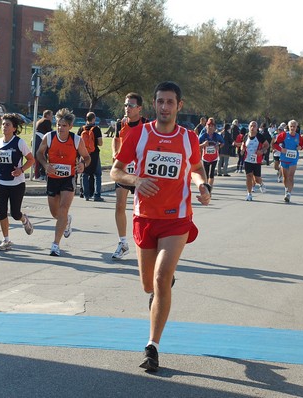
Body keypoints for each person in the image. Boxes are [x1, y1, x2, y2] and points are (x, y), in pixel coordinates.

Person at [110, 81, 211, 372]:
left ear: (179, 105)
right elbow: (117, 170)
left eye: (170, 102)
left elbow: (195, 168)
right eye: (160, 101)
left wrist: (202, 184)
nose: (164, 107)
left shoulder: (189, 138)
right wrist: (136, 180)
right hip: (145, 217)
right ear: (154, 104)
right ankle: (159, 288)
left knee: (162, 276)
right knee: (147, 285)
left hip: (177, 218)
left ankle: (152, 346)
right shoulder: (139, 134)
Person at [36, 108, 91, 257]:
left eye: (64, 125)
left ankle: (55, 245)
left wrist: (83, 165)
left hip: (68, 179)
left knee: (63, 209)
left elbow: (86, 157)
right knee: (55, 213)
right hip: (53, 179)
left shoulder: (76, 140)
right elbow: (39, 153)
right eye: (58, 124)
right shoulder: (49, 137)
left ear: (70, 127)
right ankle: (66, 221)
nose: (60, 128)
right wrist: (46, 165)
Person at [0, 113, 35, 251]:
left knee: (15, 214)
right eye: (3, 124)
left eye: (8, 125)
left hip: (16, 183)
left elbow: (31, 160)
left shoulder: (19, 142)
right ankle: (6, 240)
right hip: (1, 181)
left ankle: (24, 219)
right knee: (1, 212)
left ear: (14, 128)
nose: (4, 127)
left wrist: (21, 170)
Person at [111, 92, 147, 260]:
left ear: (139, 108)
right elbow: (116, 139)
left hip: (142, 172)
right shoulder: (121, 124)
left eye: (131, 105)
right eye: (126, 105)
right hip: (125, 171)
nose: (127, 108)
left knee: (143, 210)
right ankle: (123, 243)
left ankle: (147, 243)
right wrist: (114, 153)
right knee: (120, 206)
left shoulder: (147, 125)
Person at [273, 119, 303, 203]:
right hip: (284, 158)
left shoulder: (298, 137)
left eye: (294, 126)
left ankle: (289, 194)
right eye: (291, 126)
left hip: (293, 159)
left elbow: (302, 145)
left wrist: (300, 147)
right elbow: (275, 144)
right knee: (285, 177)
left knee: (291, 176)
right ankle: (286, 190)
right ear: (288, 127)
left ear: (296, 127)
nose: (292, 128)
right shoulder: (283, 135)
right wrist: (281, 149)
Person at [77, 112, 104, 201]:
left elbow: (77, 142)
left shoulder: (81, 129)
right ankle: (97, 195)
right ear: (94, 119)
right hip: (94, 154)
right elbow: (100, 143)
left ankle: (86, 195)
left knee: (84, 174)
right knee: (97, 174)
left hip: (84, 153)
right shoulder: (96, 129)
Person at [241, 120, 268, 201]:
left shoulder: (260, 136)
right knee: (249, 176)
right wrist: (242, 149)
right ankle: (249, 194)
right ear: (249, 127)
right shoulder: (246, 136)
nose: (252, 127)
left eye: (254, 126)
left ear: (257, 128)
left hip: (257, 160)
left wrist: (262, 151)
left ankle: (261, 184)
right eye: (251, 126)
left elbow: (267, 145)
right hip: (247, 159)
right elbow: (243, 144)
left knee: (257, 178)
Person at [198, 117, 224, 188]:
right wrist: (203, 144)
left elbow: (222, 143)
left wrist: (218, 146)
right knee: (206, 174)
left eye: (212, 126)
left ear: (214, 127)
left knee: (211, 173)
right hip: (205, 157)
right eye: (209, 126)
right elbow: (197, 145)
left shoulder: (217, 136)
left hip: (214, 157)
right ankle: (206, 187)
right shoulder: (203, 136)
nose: (210, 127)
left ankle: (209, 189)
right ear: (206, 126)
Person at [34, 110, 53, 180]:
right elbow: (50, 132)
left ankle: (37, 174)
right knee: (41, 156)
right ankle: (40, 174)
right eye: (51, 115)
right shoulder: (46, 121)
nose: (52, 117)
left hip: (35, 139)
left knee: (37, 157)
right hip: (40, 139)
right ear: (47, 115)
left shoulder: (39, 121)